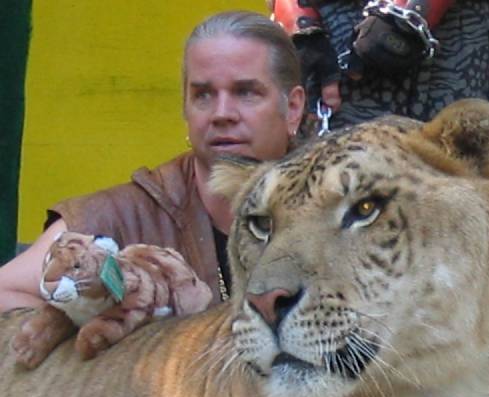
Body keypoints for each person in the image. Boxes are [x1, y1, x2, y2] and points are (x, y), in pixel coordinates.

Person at [0, 11, 305, 311]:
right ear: (186, 109)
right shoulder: (126, 216)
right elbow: (5, 292)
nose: (222, 113)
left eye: (246, 92)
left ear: (292, 108)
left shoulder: (334, 209)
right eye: (203, 95)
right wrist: (124, 352)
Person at [270, 0, 489, 192]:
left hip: (454, 39)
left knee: (453, 226)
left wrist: (413, 10)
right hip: (329, 38)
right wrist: (298, 21)